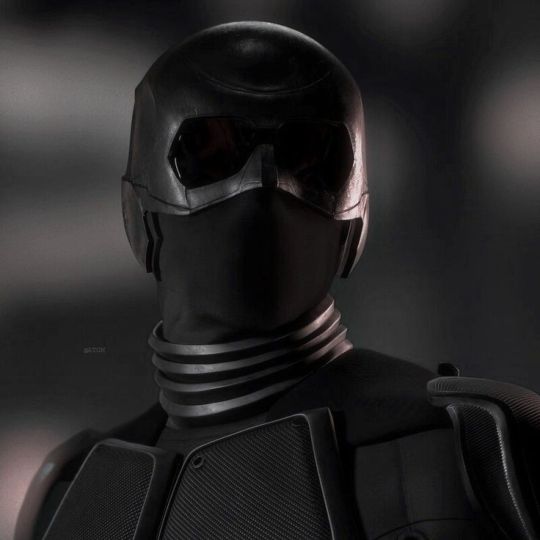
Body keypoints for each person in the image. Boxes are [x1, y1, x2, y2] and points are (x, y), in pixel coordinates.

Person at [27, 21, 539, 540]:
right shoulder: (76, 487)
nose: (262, 184)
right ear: (139, 212)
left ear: (354, 221)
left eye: (308, 153)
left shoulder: (469, 440)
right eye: (211, 150)